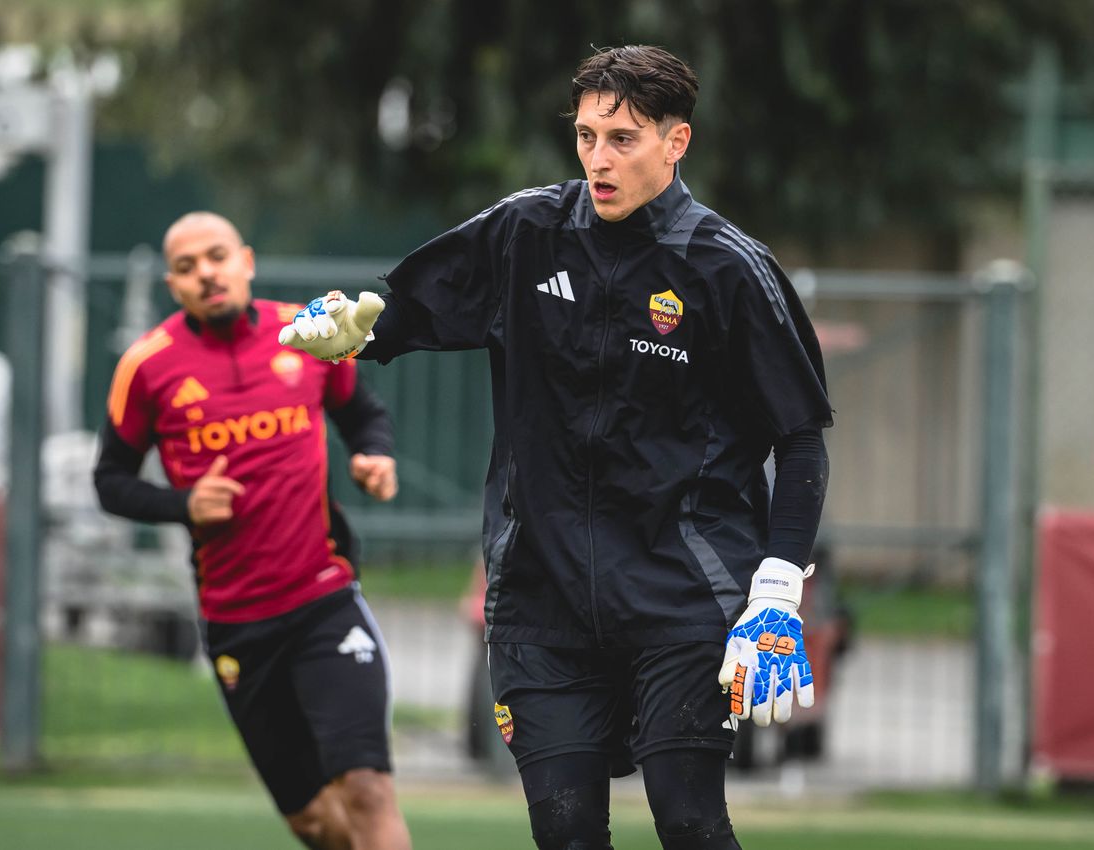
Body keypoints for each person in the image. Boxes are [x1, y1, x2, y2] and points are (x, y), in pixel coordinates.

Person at [282, 45, 831, 850]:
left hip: (683, 597)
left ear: (676, 143)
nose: (596, 160)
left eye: (622, 140)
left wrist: (776, 592)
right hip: (541, 600)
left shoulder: (728, 269)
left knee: (688, 822)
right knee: (566, 833)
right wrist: (357, 332)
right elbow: (405, 311)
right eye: (584, 136)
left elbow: (801, 442)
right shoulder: (525, 232)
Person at [92, 212, 412, 850]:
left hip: (325, 601)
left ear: (246, 260)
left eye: (216, 256)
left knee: (368, 790)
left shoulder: (304, 331)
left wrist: (374, 457)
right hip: (236, 621)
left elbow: (361, 413)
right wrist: (183, 503)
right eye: (187, 267)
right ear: (172, 283)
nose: (205, 273)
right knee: (317, 822)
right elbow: (110, 481)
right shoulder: (147, 365)